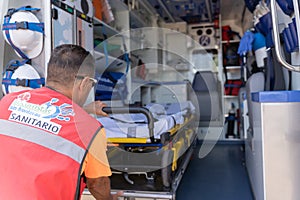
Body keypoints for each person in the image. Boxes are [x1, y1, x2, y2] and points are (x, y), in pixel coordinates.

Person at [0, 44, 122, 200]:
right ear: (84, 83)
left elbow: (44, 117)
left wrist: (85, 110)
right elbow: (97, 184)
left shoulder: (8, 102)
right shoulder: (90, 130)